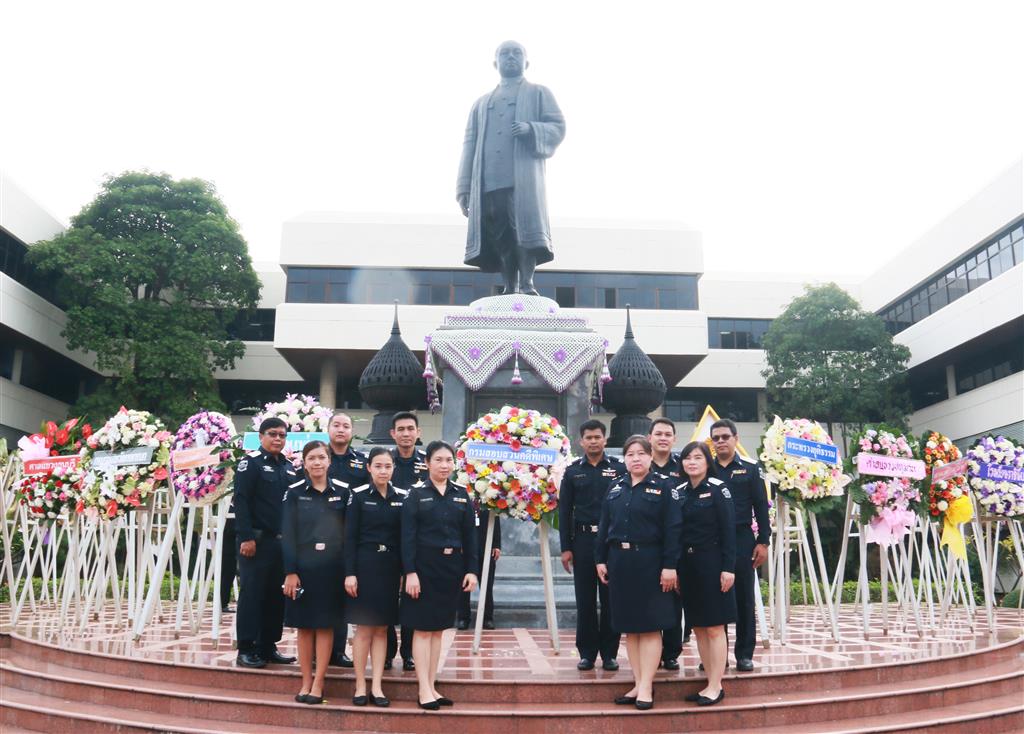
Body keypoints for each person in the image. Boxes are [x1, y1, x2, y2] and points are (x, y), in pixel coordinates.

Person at [456, 40, 566, 295]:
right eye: (504, 53)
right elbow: (469, 145)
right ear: (496, 63)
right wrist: (463, 188)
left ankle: (527, 283)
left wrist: (532, 129)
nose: (511, 57)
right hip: (489, 180)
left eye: (517, 53)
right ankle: (509, 285)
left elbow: (558, 126)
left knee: (524, 230)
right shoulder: (481, 103)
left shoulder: (539, 93)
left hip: (523, 179)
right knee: (500, 234)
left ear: (526, 62)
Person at [596, 435, 681, 711]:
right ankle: (637, 681)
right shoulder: (615, 487)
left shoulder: (664, 487)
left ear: (650, 457)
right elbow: (604, 525)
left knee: (650, 625)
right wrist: (601, 559)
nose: (635, 458)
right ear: (624, 458)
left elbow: (673, 530)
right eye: (630, 454)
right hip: (619, 561)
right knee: (630, 628)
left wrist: (670, 566)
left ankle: (646, 686)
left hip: (651, 561)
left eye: (641, 454)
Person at [400, 441, 478, 710]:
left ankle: (432, 685)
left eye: (449, 460)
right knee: (422, 630)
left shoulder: (461, 494)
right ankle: (423, 689)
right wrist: (409, 572)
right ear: (428, 463)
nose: (445, 465)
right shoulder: (415, 494)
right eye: (439, 460)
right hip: (423, 568)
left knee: (438, 632)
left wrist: (471, 570)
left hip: (451, 568)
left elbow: (470, 536)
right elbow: (407, 538)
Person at [281, 441, 345, 704]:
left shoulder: (343, 492)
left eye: (321, 457)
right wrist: (290, 572)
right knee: (304, 627)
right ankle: (305, 681)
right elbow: (287, 535)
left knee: (326, 625)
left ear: (329, 461)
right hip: (303, 569)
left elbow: (350, 535)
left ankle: (319, 682)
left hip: (332, 569)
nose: (317, 463)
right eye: (311, 458)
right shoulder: (294, 492)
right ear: (304, 463)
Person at [559, 419, 624, 671]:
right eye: (589, 437)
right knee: (585, 600)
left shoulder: (618, 469)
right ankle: (586, 652)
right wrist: (566, 548)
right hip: (583, 541)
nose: (593, 441)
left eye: (598, 437)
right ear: (581, 441)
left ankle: (610, 653)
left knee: (611, 599)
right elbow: (564, 512)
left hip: (611, 541)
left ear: (605, 440)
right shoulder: (573, 471)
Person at [344, 447, 408, 707]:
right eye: (378, 466)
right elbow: (348, 539)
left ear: (393, 468)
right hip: (364, 565)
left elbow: (405, 538)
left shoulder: (402, 497)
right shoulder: (357, 496)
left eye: (388, 466)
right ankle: (361, 685)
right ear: (368, 467)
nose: (383, 470)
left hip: (390, 567)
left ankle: (378, 686)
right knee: (364, 628)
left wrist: (405, 572)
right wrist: (349, 573)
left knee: (383, 628)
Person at [233, 417, 298, 669]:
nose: (277, 439)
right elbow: (241, 501)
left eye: (282, 435)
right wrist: (246, 536)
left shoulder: (289, 466)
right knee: (252, 595)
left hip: (281, 544)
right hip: (256, 542)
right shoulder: (250, 464)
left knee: (275, 596)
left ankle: (268, 645)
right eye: (272, 434)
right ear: (261, 437)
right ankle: (246, 648)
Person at [677, 440, 736, 707]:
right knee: (699, 627)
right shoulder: (678, 492)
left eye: (698, 458)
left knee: (714, 626)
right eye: (687, 458)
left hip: (712, 563)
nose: (692, 462)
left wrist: (728, 567)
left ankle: (716, 685)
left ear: (707, 462)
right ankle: (708, 684)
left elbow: (729, 532)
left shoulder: (718, 489)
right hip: (687, 566)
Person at [710, 418, 770, 672]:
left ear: (736, 438)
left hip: (742, 538)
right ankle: (716, 656)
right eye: (716, 438)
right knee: (714, 598)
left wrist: (763, 541)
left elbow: (761, 507)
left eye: (725, 436)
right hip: (711, 541)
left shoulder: (750, 468)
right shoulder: (706, 469)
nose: (721, 441)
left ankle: (744, 653)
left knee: (745, 598)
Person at [323, 411, 369, 668]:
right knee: (319, 594)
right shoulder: (318, 458)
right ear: (328, 428)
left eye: (346, 426)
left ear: (351, 432)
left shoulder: (361, 463)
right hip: (319, 538)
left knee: (341, 597)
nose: (341, 430)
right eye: (336, 425)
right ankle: (320, 650)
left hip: (348, 538)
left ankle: (338, 650)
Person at [386, 411, 426, 670]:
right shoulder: (383, 461)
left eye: (410, 429)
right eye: (400, 429)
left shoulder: (426, 462)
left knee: (413, 597)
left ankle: (409, 652)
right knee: (387, 596)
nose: (406, 434)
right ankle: (388, 651)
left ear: (418, 432)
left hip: (417, 541)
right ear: (393, 433)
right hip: (387, 538)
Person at [648, 417, 684, 669]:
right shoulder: (639, 463)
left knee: (673, 598)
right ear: (650, 437)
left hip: (677, 540)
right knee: (649, 597)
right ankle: (652, 652)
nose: (663, 438)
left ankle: (671, 652)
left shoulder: (683, 466)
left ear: (674, 439)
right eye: (658, 433)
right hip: (646, 542)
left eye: (667, 434)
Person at [457, 501, 501, 630]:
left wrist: (497, 544)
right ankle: (463, 618)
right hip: (464, 549)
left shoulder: (489, 497)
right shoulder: (461, 497)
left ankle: (487, 618)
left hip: (486, 546)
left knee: (487, 584)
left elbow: (495, 520)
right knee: (463, 585)